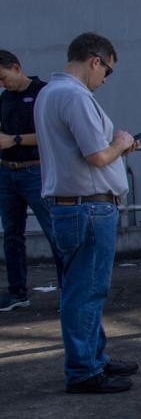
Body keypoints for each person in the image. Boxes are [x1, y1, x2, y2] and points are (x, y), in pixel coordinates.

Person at [33, 33, 140, 393]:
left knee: (80, 288)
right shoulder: (75, 96)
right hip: (88, 207)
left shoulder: (49, 92)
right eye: (107, 71)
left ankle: (94, 357)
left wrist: (116, 148)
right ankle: (84, 369)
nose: (105, 79)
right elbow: (96, 156)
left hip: (70, 206)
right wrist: (121, 143)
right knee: (86, 291)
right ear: (95, 60)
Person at [0, 50, 62, 311]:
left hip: (35, 171)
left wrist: (14, 140)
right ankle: (17, 293)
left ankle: (68, 292)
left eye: (3, 77)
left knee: (55, 232)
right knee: (12, 234)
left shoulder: (43, 93)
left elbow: (54, 132)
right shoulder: (4, 99)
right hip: (7, 171)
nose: (3, 84)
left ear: (16, 68)